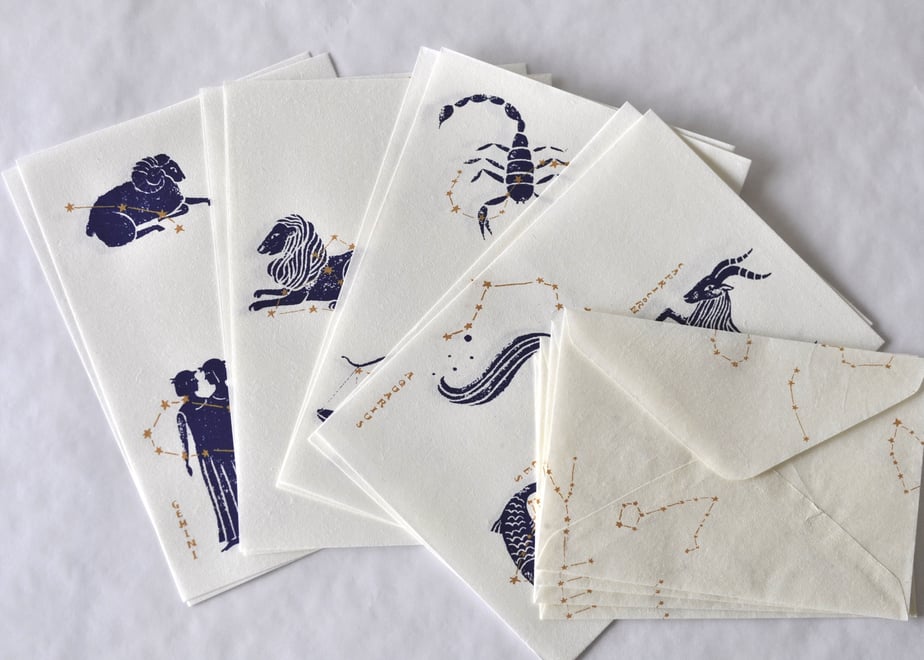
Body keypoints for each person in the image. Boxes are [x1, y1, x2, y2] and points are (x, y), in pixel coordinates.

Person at [171, 362, 239, 552]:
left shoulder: (209, 402)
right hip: (208, 459)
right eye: (193, 380)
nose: (197, 381)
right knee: (220, 494)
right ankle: (232, 533)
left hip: (225, 453)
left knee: (236, 487)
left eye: (195, 378)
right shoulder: (184, 412)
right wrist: (186, 462)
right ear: (186, 385)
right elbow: (184, 440)